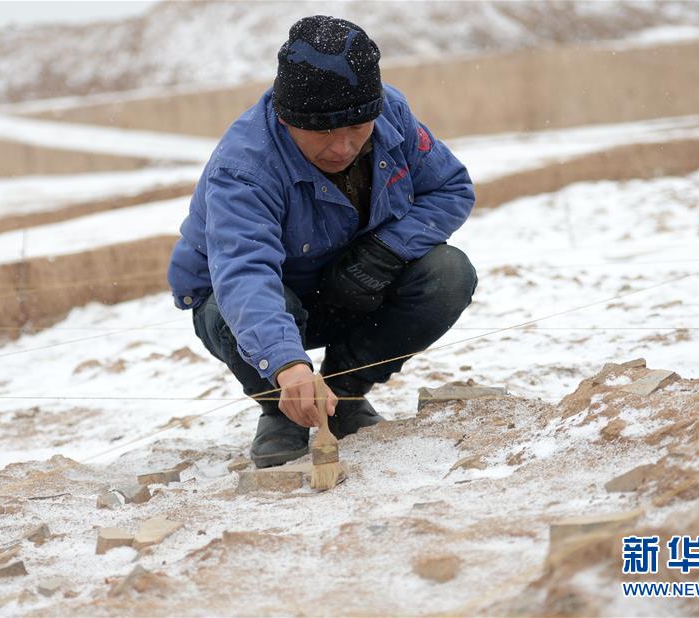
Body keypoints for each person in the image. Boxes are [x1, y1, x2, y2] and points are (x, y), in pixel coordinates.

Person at [168, 15, 478, 469]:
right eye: (322, 131)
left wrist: (385, 252)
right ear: (286, 117)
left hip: (353, 288)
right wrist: (286, 366)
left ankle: (345, 393)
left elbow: (450, 188)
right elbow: (245, 276)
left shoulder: (389, 112)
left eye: (356, 128)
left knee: (448, 274)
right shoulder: (243, 168)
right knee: (227, 312)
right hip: (255, 305)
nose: (342, 147)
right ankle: (283, 409)